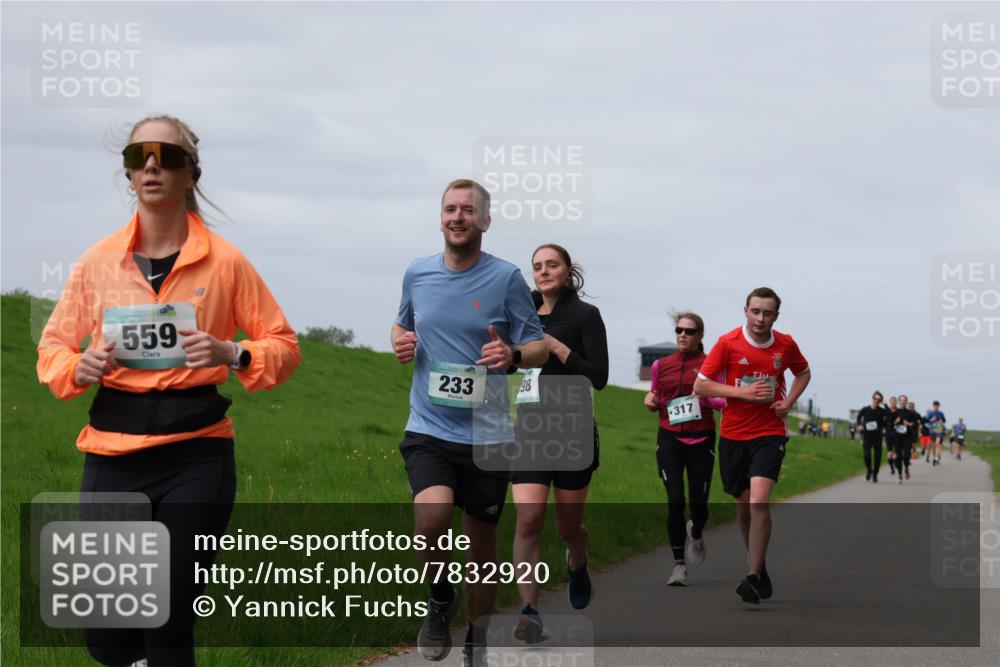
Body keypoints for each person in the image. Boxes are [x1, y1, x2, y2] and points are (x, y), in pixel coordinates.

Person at [36, 114, 301, 667]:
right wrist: (77, 366)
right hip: (113, 455)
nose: (152, 165)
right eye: (138, 157)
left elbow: (283, 344)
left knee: (168, 612)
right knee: (109, 639)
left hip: (197, 453)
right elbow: (53, 347)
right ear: (129, 176)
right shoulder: (97, 262)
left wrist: (235, 353)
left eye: (167, 155)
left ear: (191, 174)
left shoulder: (226, 262)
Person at [392, 179, 547, 667]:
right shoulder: (417, 273)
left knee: (482, 550)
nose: (457, 217)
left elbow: (538, 345)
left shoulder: (506, 278)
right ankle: (440, 600)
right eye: (449, 209)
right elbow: (403, 323)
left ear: (484, 220)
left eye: (468, 210)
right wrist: (399, 340)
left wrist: (514, 353)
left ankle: (476, 641)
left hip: (490, 435)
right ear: (441, 217)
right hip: (430, 428)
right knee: (432, 521)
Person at [510, 244, 608, 642]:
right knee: (528, 520)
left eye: (552, 265)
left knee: (568, 527)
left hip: (573, 432)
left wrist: (558, 348)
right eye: (537, 267)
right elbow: (509, 362)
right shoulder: (521, 314)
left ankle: (578, 559)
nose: (544, 271)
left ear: (568, 271)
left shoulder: (585, 315)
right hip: (531, 430)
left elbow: (597, 377)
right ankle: (530, 612)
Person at [694, 287, 811, 605]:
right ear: (745, 311)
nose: (761, 318)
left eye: (767, 313)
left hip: (769, 432)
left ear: (776, 315)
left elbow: (803, 373)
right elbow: (701, 385)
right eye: (755, 311)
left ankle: (753, 575)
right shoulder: (728, 342)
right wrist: (741, 393)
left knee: (759, 501)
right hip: (733, 435)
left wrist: (787, 402)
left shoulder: (785, 344)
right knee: (743, 506)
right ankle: (758, 567)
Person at [644, 312, 726, 586]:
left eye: (689, 331)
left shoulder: (710, 365)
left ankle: (698, 529)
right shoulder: (660, 365)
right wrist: (651, 400)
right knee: (675, 500)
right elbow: (656, 396)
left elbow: (723, 400)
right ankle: (679, 565)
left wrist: (706, 399)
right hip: (669, 437)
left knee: (698, 504)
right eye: (679, 330)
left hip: (701, 438)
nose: (682, 335)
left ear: (700, 336)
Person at [856, 391, 886, 482]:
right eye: (875, 398)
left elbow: (889, 414)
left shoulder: (882, 411)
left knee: (877, 458)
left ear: (880, 401)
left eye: (878, 399)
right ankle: (869, 469)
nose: (876, 400)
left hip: (877, 437)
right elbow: (858, 417)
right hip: (867, 437)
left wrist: (886, 404)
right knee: (867, 455)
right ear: (872, 398)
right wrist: (859, 425)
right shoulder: (865, 409)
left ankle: (875, 474)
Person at [893, 394, 917, 483]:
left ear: (906, 402)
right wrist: (896, 421)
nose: (903, 401)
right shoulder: (895, 412)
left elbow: (915, 424)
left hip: (907, 437)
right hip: (897, 437)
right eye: (901, 400)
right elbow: (890, 423)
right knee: (898, 457)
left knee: (906, 456)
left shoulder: (911, 413)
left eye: (904, 400)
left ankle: (906, 468)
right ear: (899, 401)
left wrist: (909, 424)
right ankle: (899, 475)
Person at [927, 401, 947, 466]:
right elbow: (927, 421)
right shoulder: (931, 413)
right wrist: (931, 420)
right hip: (932, 430)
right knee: (934, 445)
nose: (936, 406)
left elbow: (944, 420)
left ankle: (936, 457)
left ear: (939, 406)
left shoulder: (941, 413)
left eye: (937, 405)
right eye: (935, 405)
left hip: (939, 429)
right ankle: (936, 455)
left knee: (938, 443)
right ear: (933, 406)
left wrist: (942, 420)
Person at [884, 396, 899, 476]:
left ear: (896, 402)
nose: (893, 403)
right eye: (892, 402)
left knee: (896, 451)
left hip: (897, 433)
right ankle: (892, 468)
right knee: (889, 452)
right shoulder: (886, 411)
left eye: (894, 402)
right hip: (888, 433)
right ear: (890, 402)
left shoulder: (899, 411)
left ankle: (896, 462)